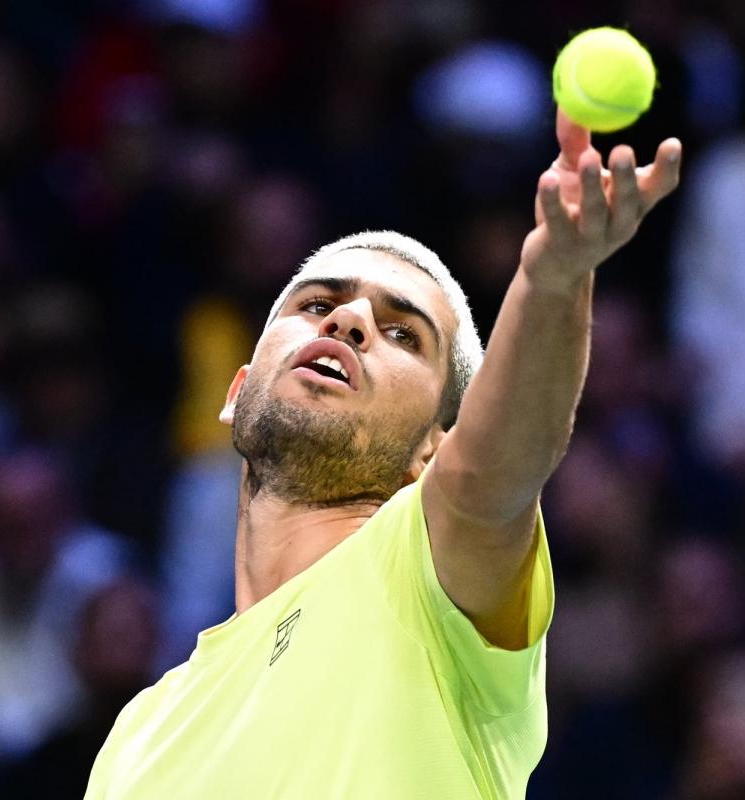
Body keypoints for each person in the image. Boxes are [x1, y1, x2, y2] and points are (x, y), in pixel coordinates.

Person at [83, 111, 682, 799]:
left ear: (435, 448)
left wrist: (553, 279)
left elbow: (499, 470)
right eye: (314, 305)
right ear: (237, 391)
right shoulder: (140, 733)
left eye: (403, 334)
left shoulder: (426, 575)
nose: (349, 321)